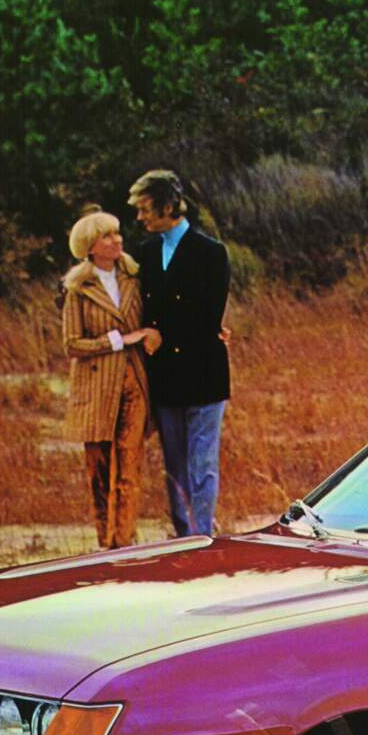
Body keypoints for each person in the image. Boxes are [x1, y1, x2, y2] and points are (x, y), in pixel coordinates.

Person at [128, 169, 231, 537]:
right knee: (174, 464)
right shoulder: (146, 253)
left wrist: (161, 334)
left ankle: (201, 536)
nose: (140, 217)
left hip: (203, 375)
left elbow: (209, 314)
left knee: (202, 464)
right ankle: (183, 534)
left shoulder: (211, 253)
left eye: (145, 209)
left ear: (167, 206)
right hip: (166, 377)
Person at [61, 208, 162, 550]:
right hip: (95, 388)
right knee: (100, 470)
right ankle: (105, 543)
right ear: (90, 246)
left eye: (117, 233)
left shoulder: (134, 277)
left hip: (134, 382)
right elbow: (72, 344)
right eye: (106, 236)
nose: (117, 240)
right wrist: (119, 340)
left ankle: (124, 541)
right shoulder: (78, 288)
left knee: (129, 465)